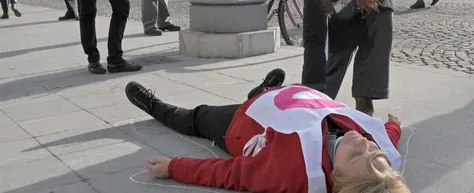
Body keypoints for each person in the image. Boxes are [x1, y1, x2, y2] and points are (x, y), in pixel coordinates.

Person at [124, 68, 411, 193]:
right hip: (284, 102)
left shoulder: (291, 171)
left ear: (337, 178)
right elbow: (387, 140)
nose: (362, 142)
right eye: (374, 149)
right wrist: (393, 125)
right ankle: (262, 90)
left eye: (356, 155)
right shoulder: (373, 159)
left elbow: (229, 174)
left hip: (240, 125)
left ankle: (155, 106)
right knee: (267, 94)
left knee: (197, 118)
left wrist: (174, 167)